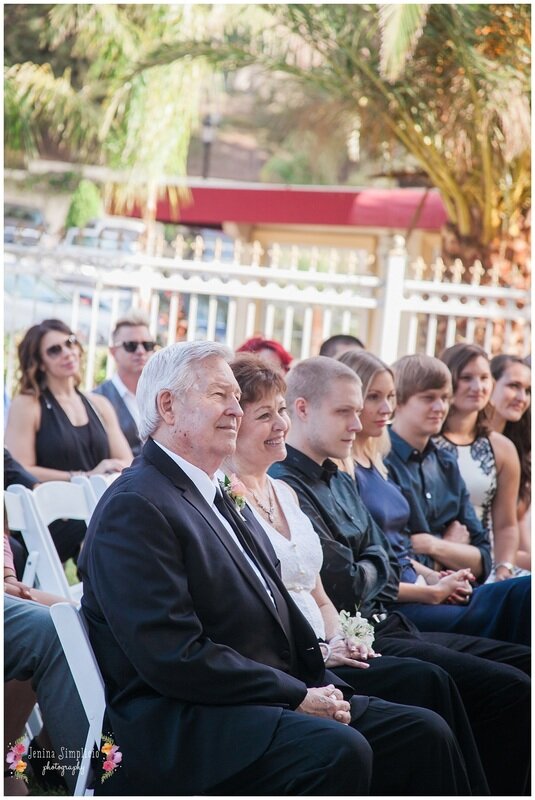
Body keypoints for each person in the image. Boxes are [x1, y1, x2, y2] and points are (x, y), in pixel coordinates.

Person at [78, 341, 473, 797]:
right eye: (219, 396)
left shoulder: (215, 490)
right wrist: (293, 695)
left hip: (259, 693)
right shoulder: (137, 505)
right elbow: (173, 655)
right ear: (168, 406)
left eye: (236, 398)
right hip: (186, 721)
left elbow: (277, 603)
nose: (236, 411)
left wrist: (321, 677)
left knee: (422, 731)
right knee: (340, 749)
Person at [223, 355, 488, 792]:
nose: (280, 425)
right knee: (427, 697)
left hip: (340, 639)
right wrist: (320, 650)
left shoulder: (284, 492)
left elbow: (327, 592)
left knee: (446, 696)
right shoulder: (227, 499)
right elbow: (338, 580)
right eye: (264, 415)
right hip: (298, 663)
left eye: (281, 411)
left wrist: (336, 636)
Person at [338, 348, 530, 639]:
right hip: (406, 601)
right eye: (429, 398)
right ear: (402, 401)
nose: (440, 407)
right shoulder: (379, 463)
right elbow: (393, 550)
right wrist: (440, 560)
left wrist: (434, 547)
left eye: (444, 398)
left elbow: (482, 555)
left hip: (449, 586)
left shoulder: (444, 462)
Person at [5, 319, 132, 562]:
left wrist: (101, 475)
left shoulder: (99, 404)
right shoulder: (28, 403)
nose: (67, 352)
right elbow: (20, 471)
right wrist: (83, 476)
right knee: (108, 530)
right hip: (49, 517)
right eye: (55, 350)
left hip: (97, 508)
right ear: (39, 363)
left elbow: (126, 461)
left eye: (70, 343)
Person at [437, 343, 528, 580]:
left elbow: (506, 525)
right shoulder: (427, 440)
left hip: (483, 564)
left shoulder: (501, 448)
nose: (477, 387)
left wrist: (503, 569)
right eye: (467, 378)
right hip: (432, 562)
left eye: (484, 378)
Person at [489, 354, 531, 570]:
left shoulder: (519, 449)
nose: (522, 398)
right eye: (514, 386)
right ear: (490, 383)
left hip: (506, 562)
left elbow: (517, 527)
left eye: (528, 391)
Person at [93, 311, 156, 457]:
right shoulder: (97, 399)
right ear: (113, 352)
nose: (140, 351)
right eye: (131, 345)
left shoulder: (163, 396)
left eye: (147, 345)